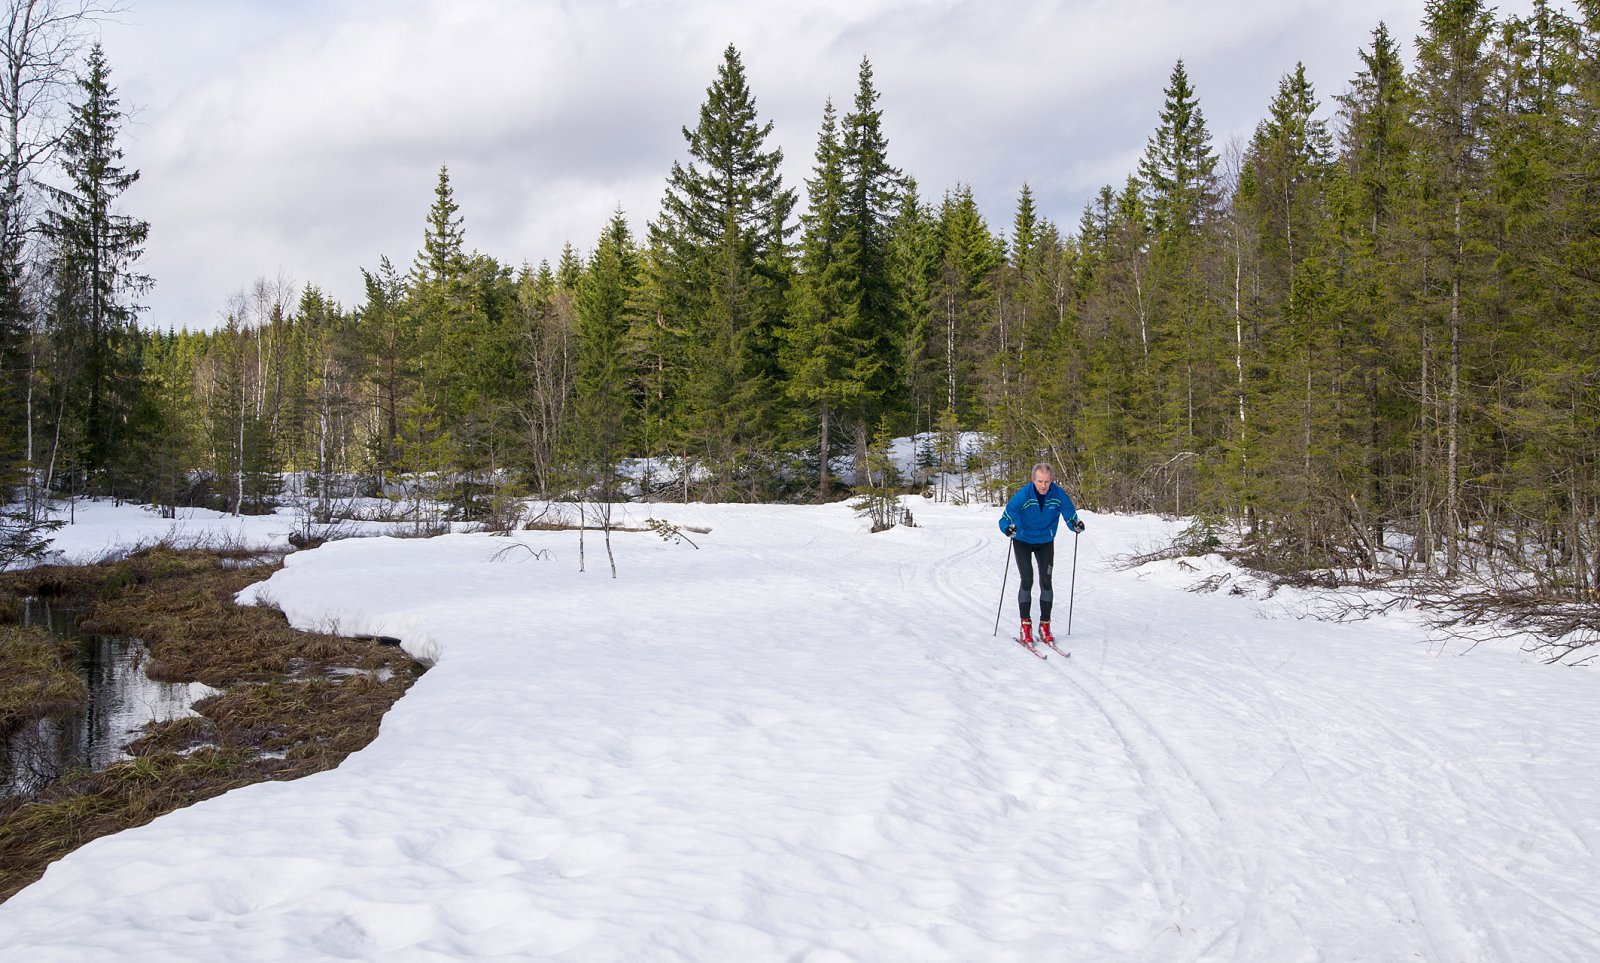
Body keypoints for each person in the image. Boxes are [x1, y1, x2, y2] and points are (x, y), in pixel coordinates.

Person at [997, 462, 1084, 646]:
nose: (1044, 485)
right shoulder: (1024, 495)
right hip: (1023, 540)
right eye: (1040, 481)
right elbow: (1007, 515)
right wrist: (1008, 529)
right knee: (1027, 580)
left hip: (1045, 541)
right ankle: (1025, 626)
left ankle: (1045, 625)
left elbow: (1069, 512)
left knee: (1046, 581)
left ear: (1051, 480)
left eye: (1047, 481)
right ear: (1033, 480)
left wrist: (1074, 524)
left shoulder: (1057, 494)